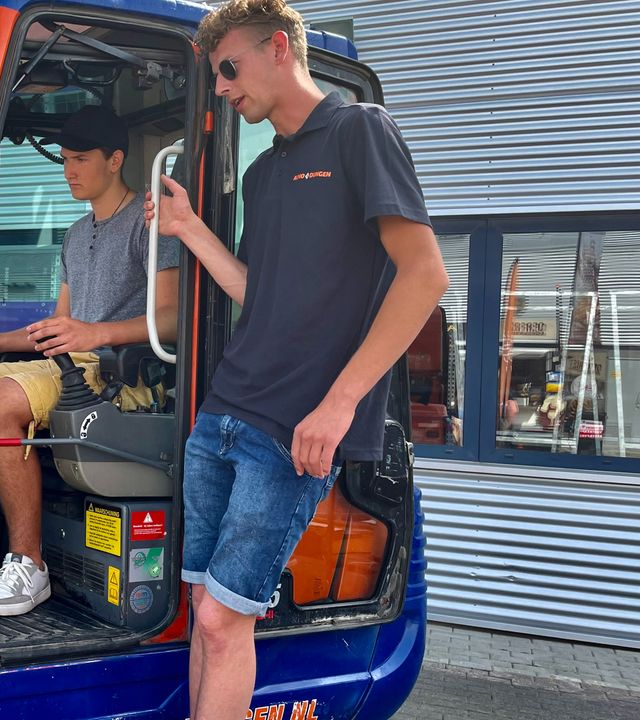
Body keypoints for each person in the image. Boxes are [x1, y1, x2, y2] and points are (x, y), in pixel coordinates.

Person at [143, 1, 449, 717]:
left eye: (229, 68)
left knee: (225, 619)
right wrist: (189, 229)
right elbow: (258, 292)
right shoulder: (263, 174)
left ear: (279, 48)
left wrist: (339, 405)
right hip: (222, 415)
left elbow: (425, 276)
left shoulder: (358, 131)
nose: (221, 87)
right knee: (203, 610)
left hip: (292, 429)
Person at [0, 104, 181, 616]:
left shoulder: (150, 224)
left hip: (126, 373)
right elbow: (60, 327)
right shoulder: (75, 233)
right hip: (74, 363)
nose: (69, 171)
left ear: (115, 160)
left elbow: (171, 319)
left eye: (81, 159)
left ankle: (29, 566)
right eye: (66, 160)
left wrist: (96, 333)